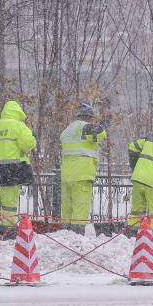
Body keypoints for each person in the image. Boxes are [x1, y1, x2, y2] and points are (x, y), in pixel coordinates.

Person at [0, 100, 37, 240]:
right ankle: (8, 230)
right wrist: (33, 139)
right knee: (8, 204)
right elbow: (27, 145)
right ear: (18, 113)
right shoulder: (19, 126)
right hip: (12, 170)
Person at [59, 101, 110, 235]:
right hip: (81, 174)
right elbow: (97, 135)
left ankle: (65, 233)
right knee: (80, 206)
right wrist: (104, 126)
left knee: (67, 207)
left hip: (66, 175)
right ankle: (77, 234)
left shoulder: (67, 130)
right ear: (88, 117)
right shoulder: (84, 127)